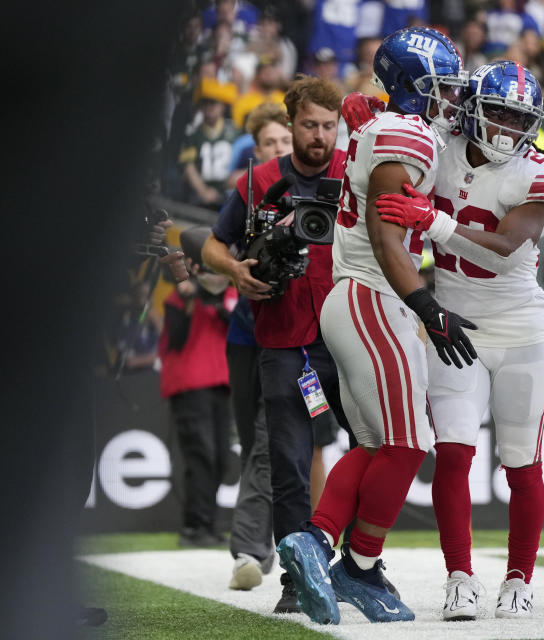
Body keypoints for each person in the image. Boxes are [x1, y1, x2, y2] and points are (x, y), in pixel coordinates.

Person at [273, 27, 475, 626]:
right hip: (375, 295)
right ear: (415, 85)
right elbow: (389, 236)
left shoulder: (389, 127)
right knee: (409, 442)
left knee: (379, 443)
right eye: (440, 87)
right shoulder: (405, 134)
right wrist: (427, 307)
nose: (449, 99)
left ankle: (340, 551)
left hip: (358, 295)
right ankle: (347, 559)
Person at [374, 60, 544, 621]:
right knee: (452, 454)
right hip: (452, 322)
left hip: (520, 327)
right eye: (493, 111)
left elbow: (508, 242)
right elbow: (390, 131)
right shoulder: (436, 147)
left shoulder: (541, 170)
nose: (503, 127)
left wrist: (434, 223)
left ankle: (519, 577)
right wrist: (365, 118)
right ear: (470, 108)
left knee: (522, 463)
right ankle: (459, 577)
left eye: (517, 118)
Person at [201, 75, 351, 614]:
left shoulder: (356, 173)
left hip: (350, 336)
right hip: (283, 337)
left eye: (329, 126)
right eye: (309, 125)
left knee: (373, 447)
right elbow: (215, 244)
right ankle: (296, 578)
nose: (319, 136)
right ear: (291, 124)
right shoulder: (258, 179)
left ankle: (360, 565)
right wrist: (236, 270)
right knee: (287, 463)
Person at [223, 100, 293, 591]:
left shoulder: (317, 196)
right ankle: (267, 545)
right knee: (254, 443)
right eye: (269, 143)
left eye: (284, 141)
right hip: (245, 334)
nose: (278, 149)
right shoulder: (244, 195)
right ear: (256, 150)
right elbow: (213, 264)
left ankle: (249, 548)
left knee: (270, 447)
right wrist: (224, 271)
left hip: (295, 339)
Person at [159, 226, 237, 548]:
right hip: (190, 384)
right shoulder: (179, 297)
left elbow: (235, 320)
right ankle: (194, 527)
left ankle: (206, 524)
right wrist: (188, 297)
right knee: (201, 455)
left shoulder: (229, 295)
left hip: (221, 385)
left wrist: (211, 300)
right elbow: (175, 339)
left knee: (219, 457)